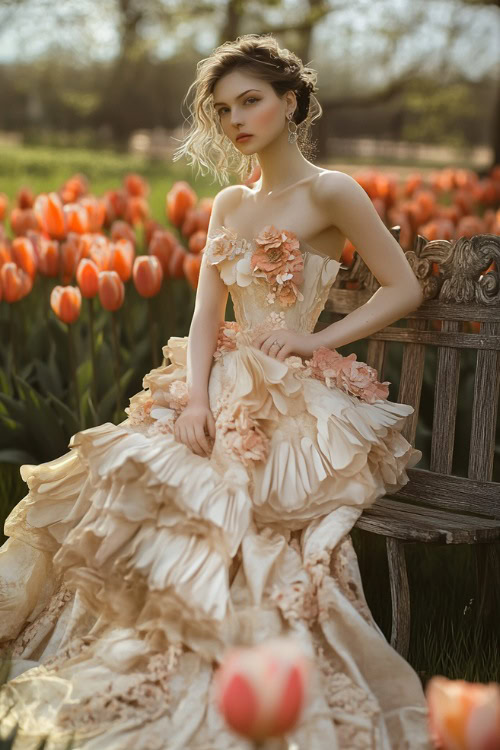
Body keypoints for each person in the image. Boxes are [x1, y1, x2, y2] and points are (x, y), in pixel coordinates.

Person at [0, 33, 431, 750]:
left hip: (290, 388)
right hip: (218, 379)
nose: (236, 119)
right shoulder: (230, 202)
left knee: (249, 513)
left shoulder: (332, 191)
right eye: (224, 107)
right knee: (137, 473)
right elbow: (204, 318)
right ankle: (139, 630)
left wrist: (314, 341)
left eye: (251, 100)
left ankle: (242, 663)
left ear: (290, 103)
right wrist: (195, 399)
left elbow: (405, 286)